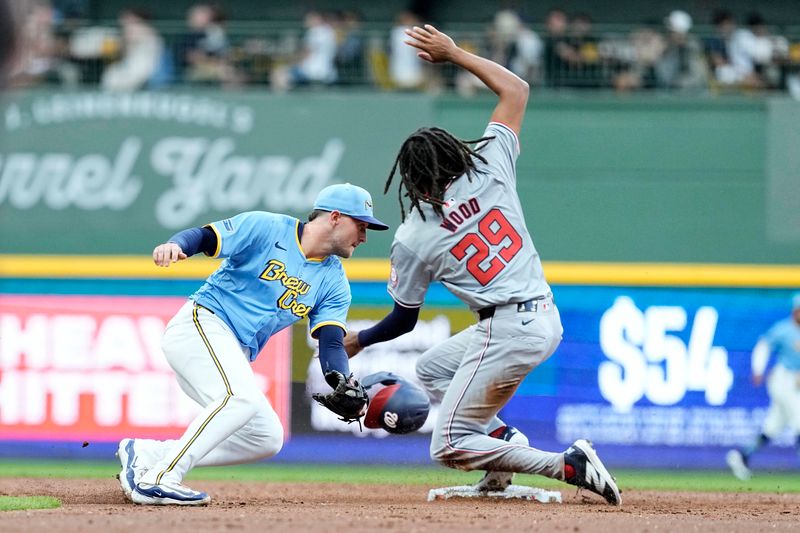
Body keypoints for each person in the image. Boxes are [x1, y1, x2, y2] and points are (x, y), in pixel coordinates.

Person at [343, 24, 621, 506]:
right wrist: (453, 54)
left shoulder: (414, 235)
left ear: (411, 181)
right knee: (431, 368)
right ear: (455, 154)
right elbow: (517, 88)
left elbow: (404, 318)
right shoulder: (491, 164)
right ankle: (501, 461)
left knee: (448, 443)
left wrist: (360, 340)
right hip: (543, 316)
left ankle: (565, 465)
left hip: (506, 327)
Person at [117, 183, 388, 505]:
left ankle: (148, 453)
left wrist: (341, 380)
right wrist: (176, 245)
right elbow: (205, 237)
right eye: (361, 225)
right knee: (240, 399)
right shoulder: (267, 227)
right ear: (335, 217)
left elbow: (331, 344)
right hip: (202, 325)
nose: (364, 236)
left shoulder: (334, 282)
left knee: (265, 438)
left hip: (232, 351)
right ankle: (161, 478)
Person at [726, 293, 800, 481]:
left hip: (796, 382)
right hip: (784, 379)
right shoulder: (784, 329)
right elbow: (764, 345)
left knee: (773, 427)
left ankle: (742, 456)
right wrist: (758, 368)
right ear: (794, 311)